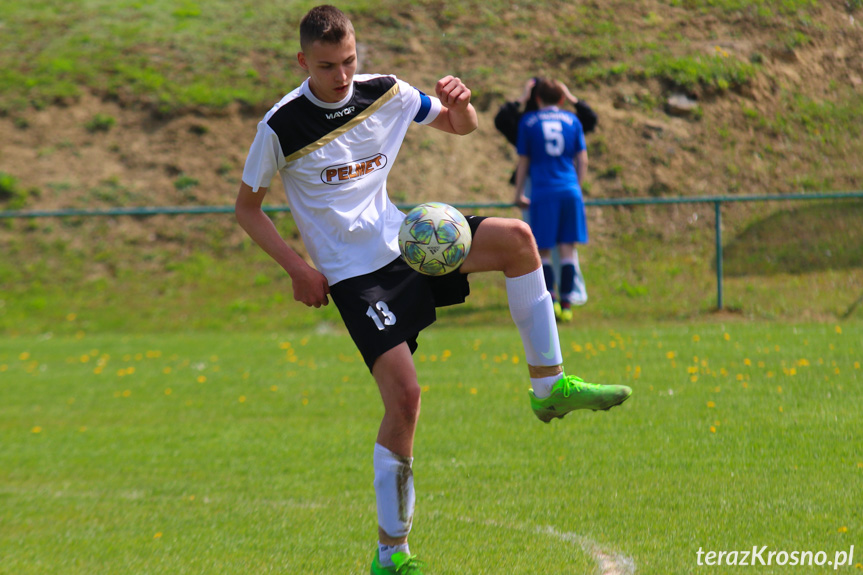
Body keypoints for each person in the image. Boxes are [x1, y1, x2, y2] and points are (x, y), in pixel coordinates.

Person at [235, 7, 631, 574]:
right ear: (303, 61)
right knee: (405, 399)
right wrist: (299, 268)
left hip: (411, 243)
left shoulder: (385, 91)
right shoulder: (281, 125)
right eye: (327, 66)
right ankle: (391, 555)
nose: (342, 75)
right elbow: (246, 210)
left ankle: (548, 386)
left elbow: (456, 124)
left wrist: (462, 103)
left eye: (349, 60)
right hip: (354, 278)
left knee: (520, 240)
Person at [514, 78, 591, 323]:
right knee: (568, 249)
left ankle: (552, 301)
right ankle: (568, 304)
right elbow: (583, 160)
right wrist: (576, 188)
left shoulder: (528, 122)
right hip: (569, 190)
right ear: (561, 98)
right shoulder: (573, 120)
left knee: (544, 251)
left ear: (537, 99)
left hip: (543, 193)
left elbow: (523, 162)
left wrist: (518, 194)